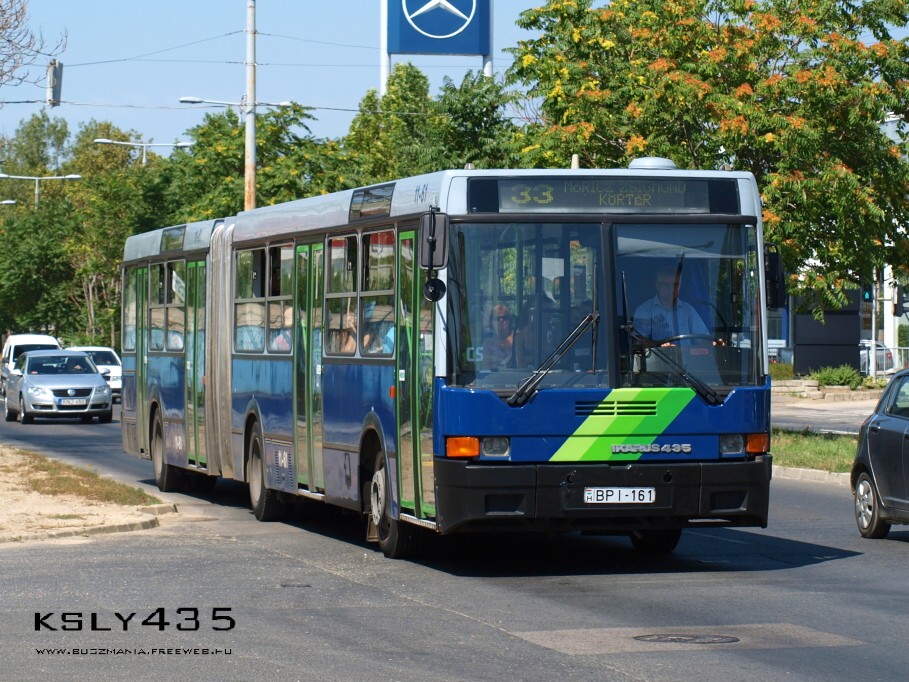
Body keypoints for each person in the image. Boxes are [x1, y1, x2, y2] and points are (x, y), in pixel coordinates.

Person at [633, 267, 710, 346]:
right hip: (658, 354)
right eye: (666, 285)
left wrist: (707, 346)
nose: (671, 289)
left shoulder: (687, 310)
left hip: (686, 354)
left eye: (675, 285)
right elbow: (638, 341)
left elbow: (704, 339)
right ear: (657, 286)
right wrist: (659, 346)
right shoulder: (645, 310)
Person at [482, 304, 515, 369]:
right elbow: (485, 367)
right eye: (498, 318)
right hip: (494, 375)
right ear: (492, 322)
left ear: (510, 320)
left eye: (505, 318)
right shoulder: (488, 343)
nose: (501, 320)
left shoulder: (517, 338)